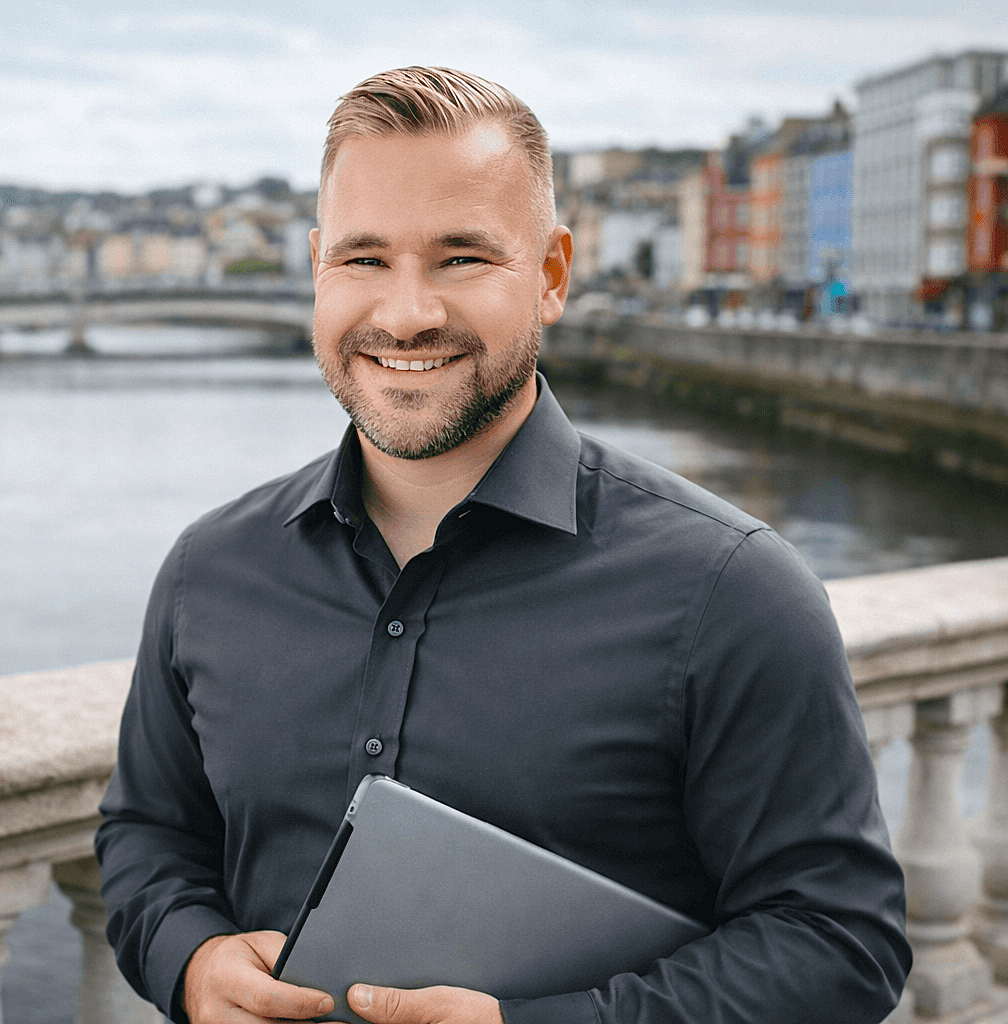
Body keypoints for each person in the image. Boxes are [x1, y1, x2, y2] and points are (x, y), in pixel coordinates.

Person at [96, 66, 910, 1024]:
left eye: (461, 259)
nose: (405, 314)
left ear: (553, 275)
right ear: (317, 266)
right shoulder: (209, 571)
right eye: (364, 261)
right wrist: (190, 959)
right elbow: (148, 835)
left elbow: (840, 940)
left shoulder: (733, 592)